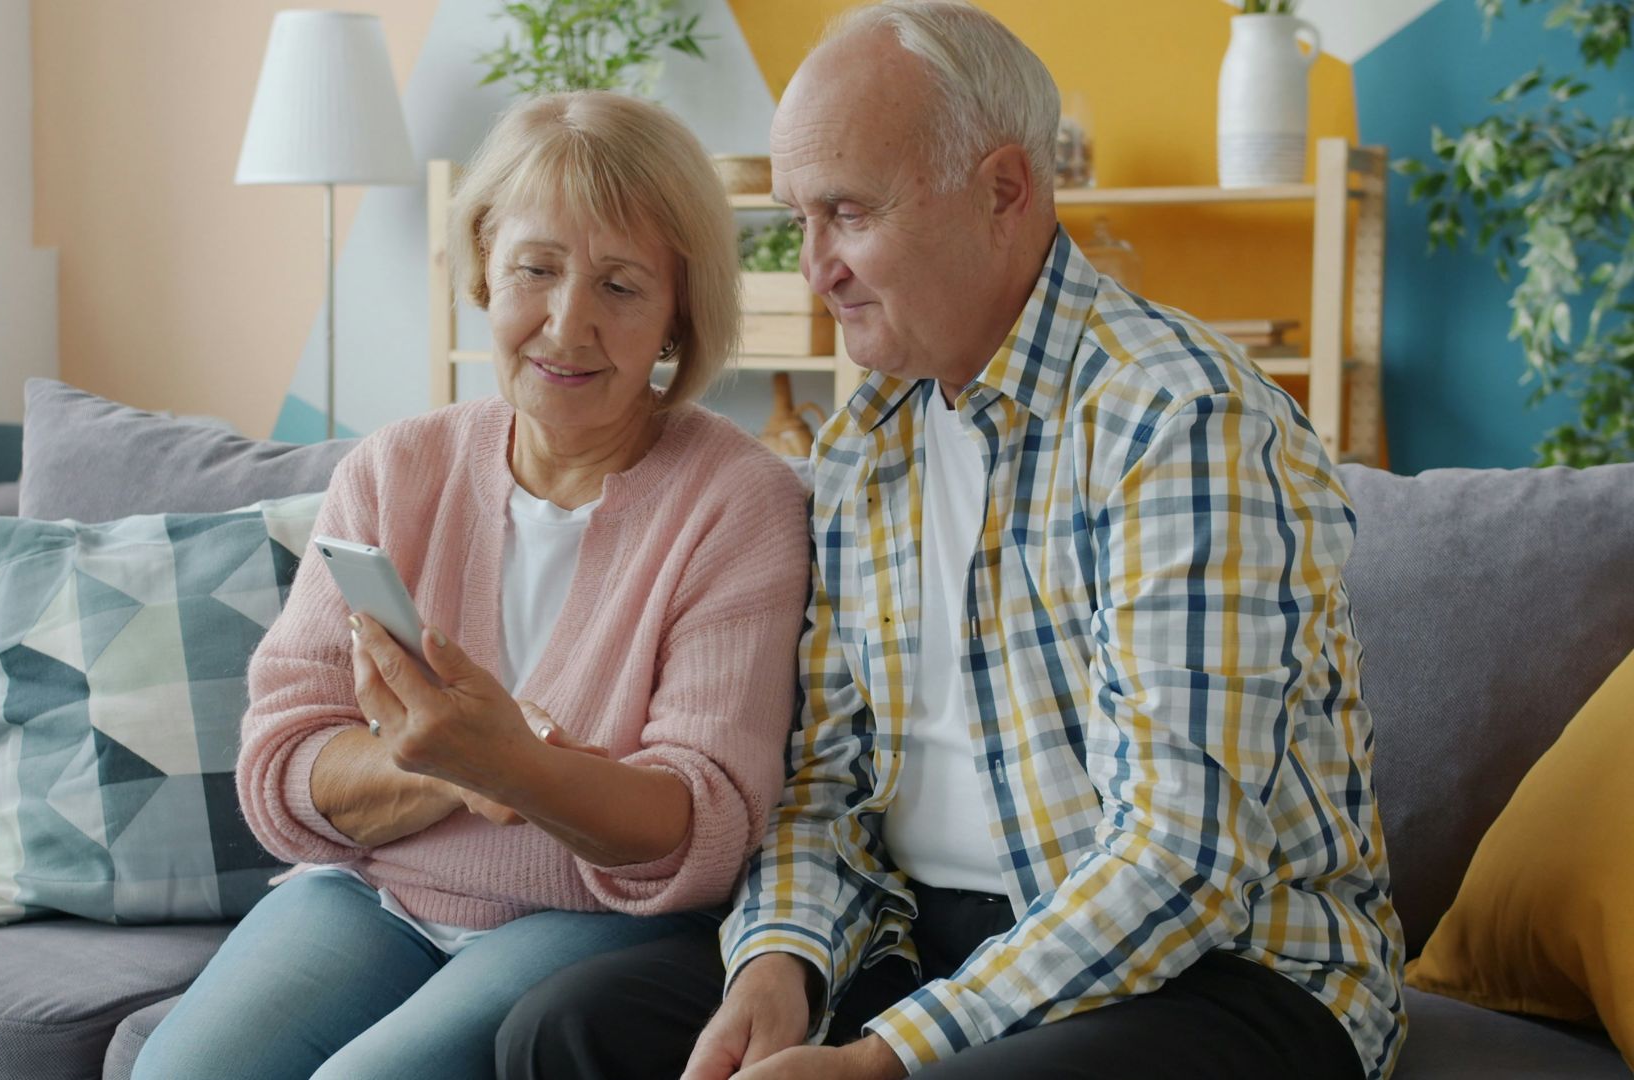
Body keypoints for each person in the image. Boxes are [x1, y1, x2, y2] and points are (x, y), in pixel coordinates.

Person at [496, 4, 1407, 1079]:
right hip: (928, 937)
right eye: (799, 220)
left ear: (1005, 190)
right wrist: (779, 966)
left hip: (1223, 968)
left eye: (848, 212)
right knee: (572, 1029)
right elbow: (823, 788)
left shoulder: (1178, 421)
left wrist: (884, 1056)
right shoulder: (864, 444)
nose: (816, 267)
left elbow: (1182, 858)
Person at [131, 89, 811, 1080]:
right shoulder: (394, 469)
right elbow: (283, 763)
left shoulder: (740, 501)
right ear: (487, 266)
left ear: (678, 312)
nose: (567, 324)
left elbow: (703, 824)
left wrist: (515, 769)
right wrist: (458, 763)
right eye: (537, 269)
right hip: (368, 894)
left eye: (621, 286)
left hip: (584, 918)